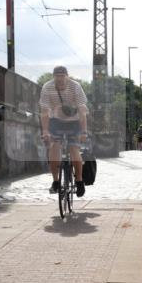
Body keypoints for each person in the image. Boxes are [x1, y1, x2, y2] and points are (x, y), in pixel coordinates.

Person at [39, 66, 89, 198]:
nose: (60, 79)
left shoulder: (75, 86)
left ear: (67, 76)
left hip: (74, 121)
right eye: (57, 77)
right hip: (55, 120)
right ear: (53, 77)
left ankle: (79, 181)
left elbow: (82, 110)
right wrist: (45, 131)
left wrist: (84, 131)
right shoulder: (47, 87)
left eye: (62, 77)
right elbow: (44, 111)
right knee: (54, 146)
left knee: (74, 149)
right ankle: (56, 181)